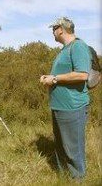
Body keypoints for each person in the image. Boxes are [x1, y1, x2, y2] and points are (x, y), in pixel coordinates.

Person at [40, 17, 91, 179]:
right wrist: (50, 77)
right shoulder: (65, 49)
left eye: (53, 29)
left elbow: (82, 75)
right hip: (60, 107)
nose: (52, 32)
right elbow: (64, 74)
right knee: (62, 147)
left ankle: (78, 180)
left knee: (73, 149)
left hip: (72, 107)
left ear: (60, 29)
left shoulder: (78, 47)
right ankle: (64, 179)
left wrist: (54, 79)